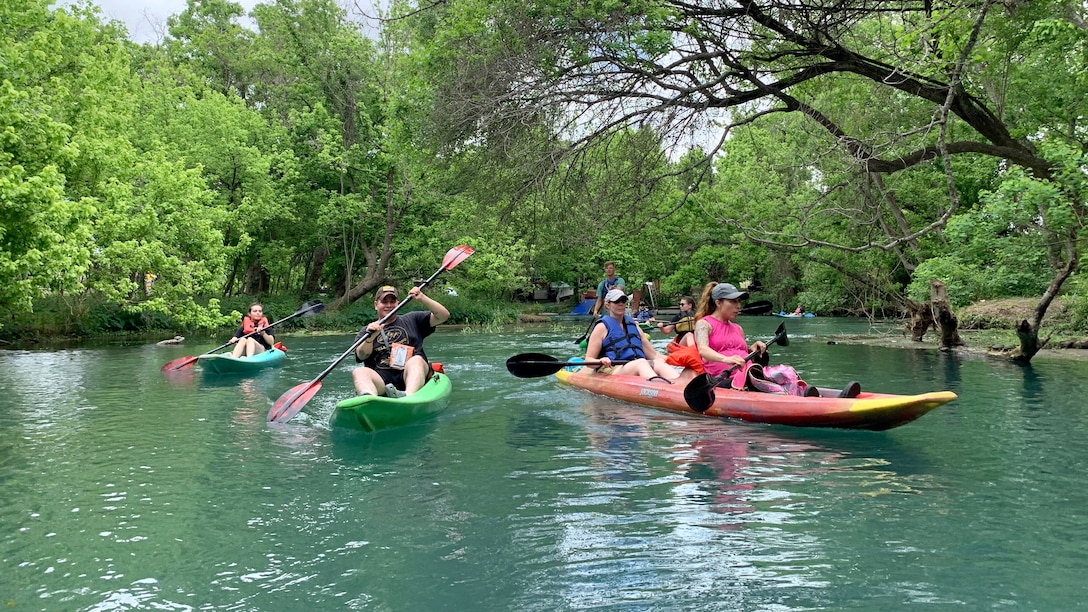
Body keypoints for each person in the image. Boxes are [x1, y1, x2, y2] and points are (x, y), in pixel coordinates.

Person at [692, 282, 860, 398]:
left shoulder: (737, 328)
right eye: (733, 301)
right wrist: (726, 359)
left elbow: (738, 351)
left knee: (786, 372)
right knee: (768, 383)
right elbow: (703, 351)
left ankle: (829, 397)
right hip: (725, 380)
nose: (738, 306)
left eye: (739, 302)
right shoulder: (704, 324)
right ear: (718, 303)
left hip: (751, 373)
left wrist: (753, 349)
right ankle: (799, 400)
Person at [352, 284, 450, 397]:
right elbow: (361, 356)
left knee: (416, 359)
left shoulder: (413, 319)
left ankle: (408, 396)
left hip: (410, 374)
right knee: (358, 371)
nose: (389, 305)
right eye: (384, 302)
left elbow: (443, 315)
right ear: (376, 305)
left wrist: (422, 297)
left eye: (392, 301)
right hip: (382, 378)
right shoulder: (367, 330)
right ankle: (369, 399)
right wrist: (370, 338)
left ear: (398, 303)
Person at [584, 289, 681, 382]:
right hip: (613, 368)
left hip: (636, 364)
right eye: (617, 301)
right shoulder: (601, 327)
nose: (621, 304)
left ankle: (681, 386)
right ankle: (659, 390)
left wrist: (678, 359)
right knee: (641, 362)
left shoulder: (634, 326)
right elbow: (589, 360)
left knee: (659, 362)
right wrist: (601, 360)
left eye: (623, 300)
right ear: (607, 305)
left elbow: (653, 355)